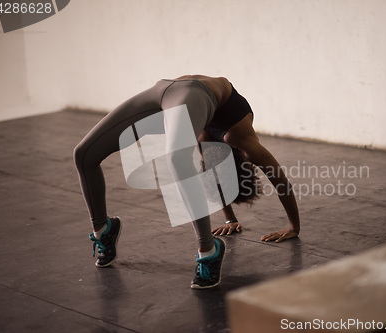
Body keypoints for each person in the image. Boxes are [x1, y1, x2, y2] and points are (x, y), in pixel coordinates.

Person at [73, 75, 300, 289]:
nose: (209, 170)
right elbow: (280, 180)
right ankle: (104, 227)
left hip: (175, 93)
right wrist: (293, 227)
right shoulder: (245, 143)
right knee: (83, 153)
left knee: (176, 158)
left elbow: (216, 176)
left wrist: (231, 218)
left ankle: (206, 249)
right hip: (178, 90)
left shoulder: (209, 143)